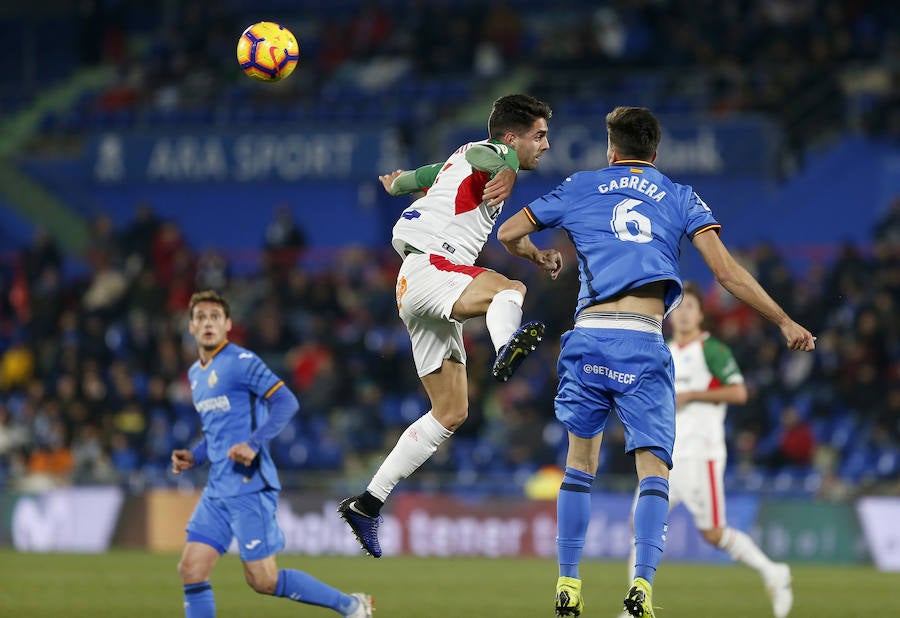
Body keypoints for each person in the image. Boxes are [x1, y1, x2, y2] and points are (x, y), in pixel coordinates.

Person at [496, 106, 815, 617]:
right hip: (643, 342)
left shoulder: (582, 185)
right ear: (656, 153)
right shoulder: (681, 196)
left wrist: (539, 256)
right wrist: (782, 320)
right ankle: (641, 587)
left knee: (579, 467)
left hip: (589, 339)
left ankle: (568, 582)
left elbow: (508, 233)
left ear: (611, 150)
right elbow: (728, 273)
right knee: (654, 475)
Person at [337, 94, 562, 558]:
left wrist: (398, 182)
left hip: (414, 286)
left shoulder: (456, 164)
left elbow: (422, 177)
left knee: (451, 411)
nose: (545, 145)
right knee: (510, 292)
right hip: (434, 268)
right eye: (539, 135)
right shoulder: (491, 155)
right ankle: (506, 347)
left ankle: (366, 503)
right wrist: (506, 169)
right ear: (512, 136)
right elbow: (486, 153)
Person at [171, 290, 372, 618]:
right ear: (191, 327)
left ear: (227, 324)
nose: (207, 323)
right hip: (217, 489)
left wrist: (253, 443)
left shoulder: (242, 362)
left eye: (215, 317)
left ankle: (352, 605)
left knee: (262, 580)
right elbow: (217, 434)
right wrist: (195, 456)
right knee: (191, 569)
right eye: (200, 318)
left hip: (250, 486)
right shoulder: (196, 375)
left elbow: (286, 401)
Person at [618, 281, 792, 618]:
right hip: (664, 454)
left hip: (701, 454)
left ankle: (773, 571)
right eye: (678, 308)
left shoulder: (712, 350)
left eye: (690, 308)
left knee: (713, 533)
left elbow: (739, 393)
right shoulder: (662, 350)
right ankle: (636, 607)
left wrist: (694, 395)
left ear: (700, 314)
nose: (683, 314)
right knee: (639, 525)